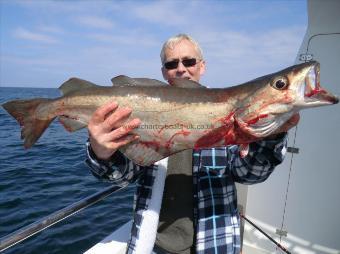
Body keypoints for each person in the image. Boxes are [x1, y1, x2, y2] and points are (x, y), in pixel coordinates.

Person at [85, 34, 298, 254]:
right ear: (163, 72)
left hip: (216, 243)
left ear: (202, 66)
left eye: (189, 61)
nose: (181, 69)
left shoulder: (227, 110)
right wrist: (102, 153)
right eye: (171, 63)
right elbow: (124, 176)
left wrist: (270, 136)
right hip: (155, 245)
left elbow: (250, 174)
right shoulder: (139, 115)